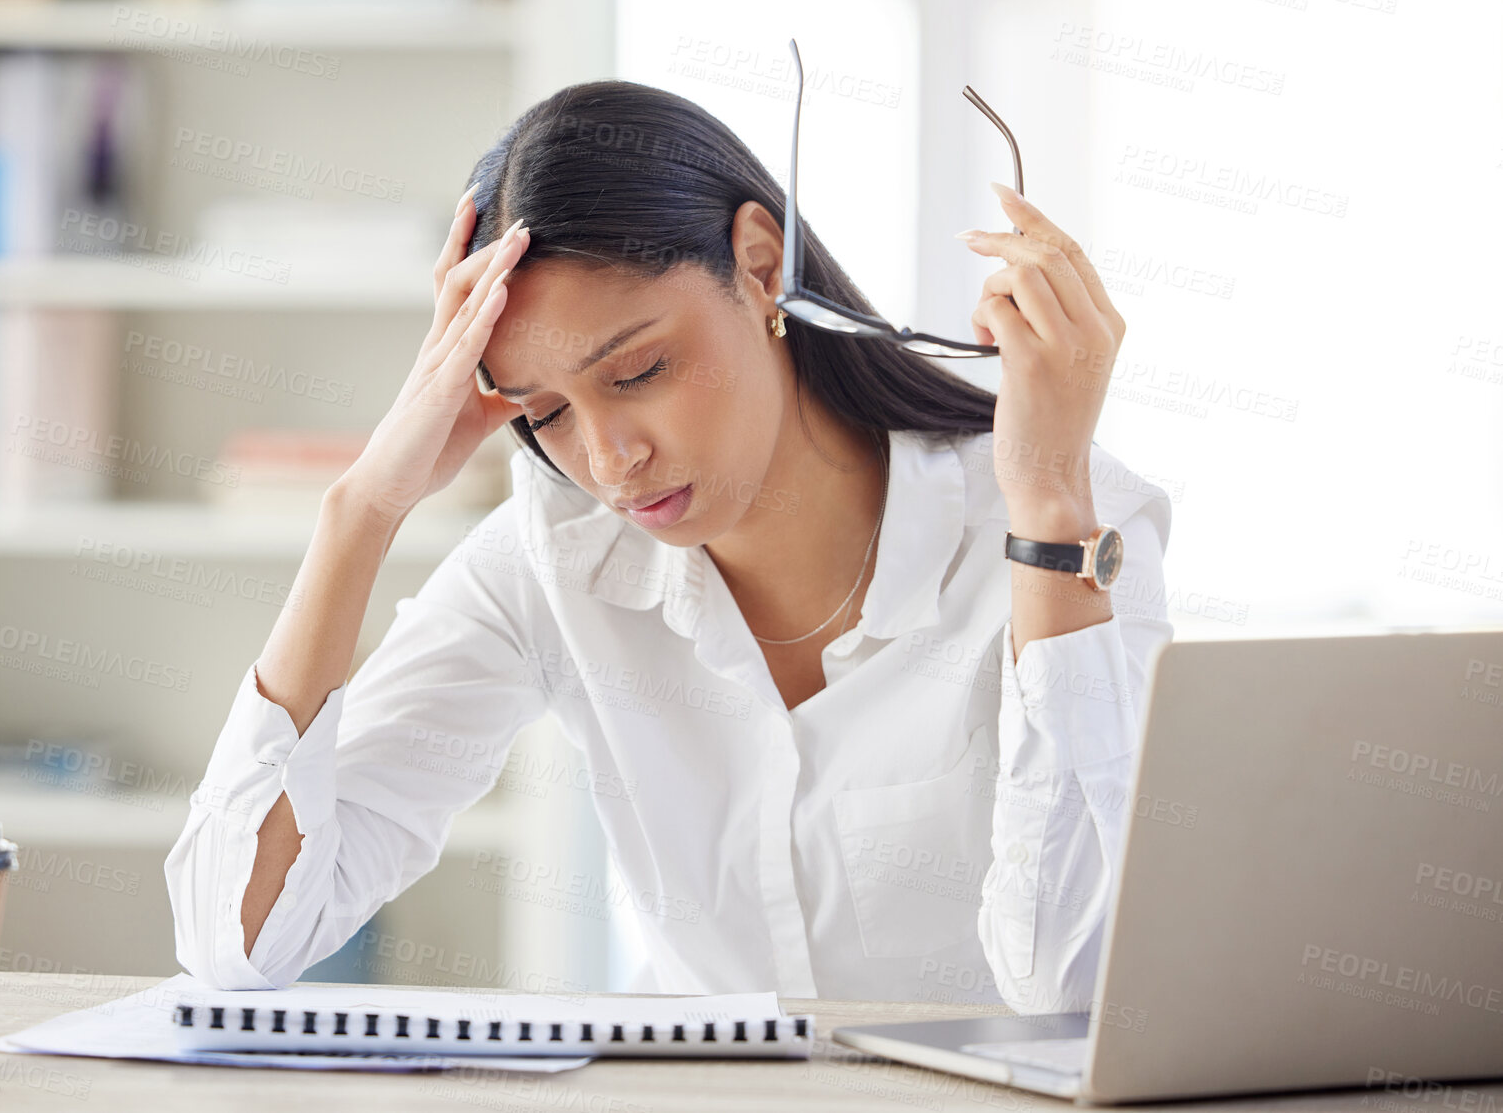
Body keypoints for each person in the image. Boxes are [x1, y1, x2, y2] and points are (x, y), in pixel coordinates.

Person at [164, 80, 1172, 1012]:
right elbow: (238, 944)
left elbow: (1066, 981)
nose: (610, 460)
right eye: (543, 412)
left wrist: (1047, 511)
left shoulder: (1071, 523)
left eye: (638, 371)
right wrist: (362, 512)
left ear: (761, 266)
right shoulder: (555, 552)